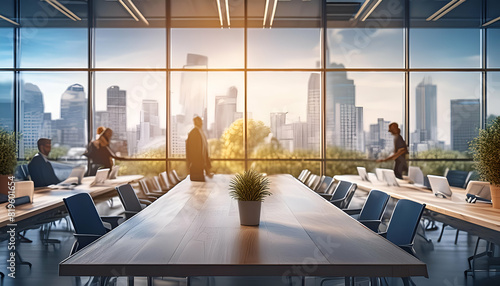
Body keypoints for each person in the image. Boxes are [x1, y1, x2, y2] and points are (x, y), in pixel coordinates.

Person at [186, 116, 211, 181]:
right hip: (196, 164)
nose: (201, 123)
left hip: (200, 163)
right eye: (199, 121)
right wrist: (191, 162)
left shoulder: (201, 132)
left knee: (201, 183)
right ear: (195, 122)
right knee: (197, 185)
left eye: (201, 121)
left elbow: (204, 149)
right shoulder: (193, 133)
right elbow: (191, 150)